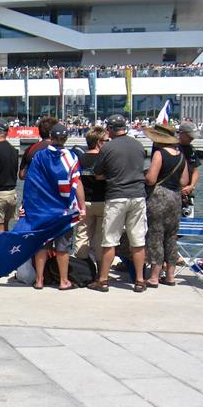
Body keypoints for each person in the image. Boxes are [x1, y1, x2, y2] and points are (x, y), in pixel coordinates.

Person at [88, 114, 148, 293]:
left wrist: (111, 176)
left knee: (110, 240)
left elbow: (98, 174)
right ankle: (139, 280)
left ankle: (103, 280)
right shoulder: (138, 145)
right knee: (138, 240)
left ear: (110, 129)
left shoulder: (108, 147)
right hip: (138, 195)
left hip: (117, 196)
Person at [27, 123, 85, 290]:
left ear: (50, 138)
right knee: (63, 246)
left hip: (43, 209)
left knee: (42, 244)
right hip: (64, 209)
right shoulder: (71, 157)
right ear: (65, 138)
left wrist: (29, 206)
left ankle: (39, 280)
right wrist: (82, 207)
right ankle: (63, 280)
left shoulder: (39, 156)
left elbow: (32, 183)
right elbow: (77, 183)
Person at [143, 123, 189, 287]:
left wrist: (145, 175)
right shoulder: (181, 155)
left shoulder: (159, 154)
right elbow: (184, 181)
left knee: (156, 234)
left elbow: (151, 179)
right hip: (175, 197)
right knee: (171, 236)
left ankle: (154, 276)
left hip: (159, 196)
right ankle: (170, 276)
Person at [73, 126, 108, 261]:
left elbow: (76, 181)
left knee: (82, 235)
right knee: (100, 238)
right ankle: (100, 270)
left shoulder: (80, 159)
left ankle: (81, 266)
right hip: (103, 201)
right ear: (99, 142)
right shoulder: (105, 158)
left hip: (84, 202)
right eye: (106, 140)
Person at [177, 122, 200, 215]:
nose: (192, 139)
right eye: (189, 136)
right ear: (181, 133)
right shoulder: (174, 148)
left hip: (188, 193)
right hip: (175, 191)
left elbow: (195, 170)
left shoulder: (191, 149)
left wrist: (191, 186)